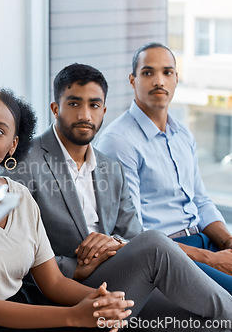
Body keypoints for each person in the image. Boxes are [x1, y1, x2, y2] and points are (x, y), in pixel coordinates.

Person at [3, 63, 232, 327]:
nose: (85, 114)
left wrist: (111, 243)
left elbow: (131, 234)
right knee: (155, 245)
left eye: (94, 105)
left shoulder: (111, 168)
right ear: (55, 108)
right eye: (74, 104)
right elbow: (15, 251)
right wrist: (76, 266)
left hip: (122, 277)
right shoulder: (23, 164)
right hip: (66, 290)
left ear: (104, 110)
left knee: (201, 319)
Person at [0, 85, 135, 332]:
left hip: (26, 313)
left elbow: (53, 282)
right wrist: (74, 316)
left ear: (12, 146)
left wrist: (102, 300)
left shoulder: (19, 196)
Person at [95, 43, 232, 294]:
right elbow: (133, 233)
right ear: (132, 80)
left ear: (176, 79)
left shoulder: (182, 133)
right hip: (169, 254)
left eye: (167, 72)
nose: (159, 80)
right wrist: (213, 259)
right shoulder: (118, 141)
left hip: (206, 242)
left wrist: (228, 242)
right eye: (148, 73)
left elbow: (200, 201)